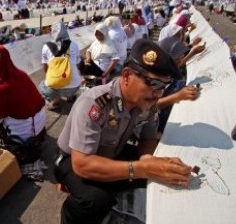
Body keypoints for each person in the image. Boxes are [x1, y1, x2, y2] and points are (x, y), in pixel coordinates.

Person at [54, 39, 193, 223]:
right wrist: (140, 169)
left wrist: (147, 160)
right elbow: (82, 164)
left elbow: (148, 138)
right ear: (127, 76)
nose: (159, 93)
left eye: (164, 86)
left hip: (112, 152)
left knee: (162, 172)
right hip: (73, 159)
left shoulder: (147, 104)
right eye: (154, 83)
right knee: (95, 200)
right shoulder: (95, 103)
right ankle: (70, 215)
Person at [156, 35, 205, 136]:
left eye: (181, 55)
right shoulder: (156, 78)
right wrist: (178, 96)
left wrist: (193, 53)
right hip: (157, 122)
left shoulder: (169, 69)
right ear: (167, 59)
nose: (181, 58)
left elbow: (179, 64)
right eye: (178, 56)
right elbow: (152, 105)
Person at [39, 21, 82, 110]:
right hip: (74, 87)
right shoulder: (74, 45)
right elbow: (77, 64)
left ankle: (54, 102)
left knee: (42, 85)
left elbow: (45, 68)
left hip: (54, 89)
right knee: (73, 75)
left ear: (53, 32)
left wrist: (53, 77)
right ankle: (70, 97)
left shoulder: (46, 46)